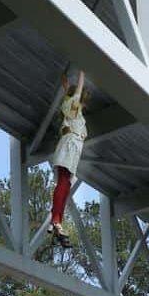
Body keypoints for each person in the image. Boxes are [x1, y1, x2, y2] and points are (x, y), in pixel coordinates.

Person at [49, 71, 88, 248]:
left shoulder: (71, 110)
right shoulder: (73, 107)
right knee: (64, 184)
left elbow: (72, 96)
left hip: (72, 150)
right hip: (70, 147)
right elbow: (76, 93)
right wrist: (82, 72)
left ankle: (57, 220)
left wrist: (66, 87)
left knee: (65, 185)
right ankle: (56, 219)